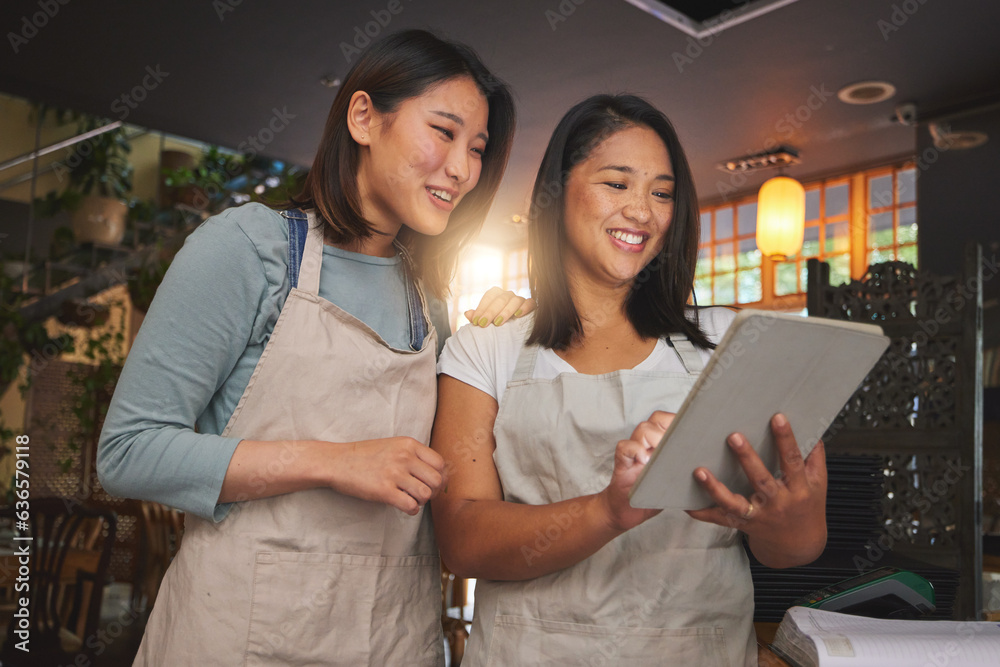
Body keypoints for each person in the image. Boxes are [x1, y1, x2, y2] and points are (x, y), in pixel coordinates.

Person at [97, 30, 521, 665]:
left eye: (478, 149)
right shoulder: (250, 249)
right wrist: (332, 461)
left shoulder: (427, 300)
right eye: (444, 131)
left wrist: (502, 344)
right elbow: (128, 453)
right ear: (362, 117)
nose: (462, 169)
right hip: (241, 636)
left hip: (391, 639)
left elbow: (453, 475)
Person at [431, 94, 828, 666]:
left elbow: (798, 546)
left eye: (661, 193)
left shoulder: (732, 342)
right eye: (617, 184)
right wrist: (607, 511)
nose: (642, 212)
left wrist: (780, 520)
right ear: (556, 192)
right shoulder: (485, 349)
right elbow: (463, 538)